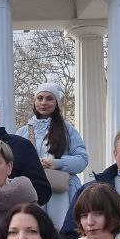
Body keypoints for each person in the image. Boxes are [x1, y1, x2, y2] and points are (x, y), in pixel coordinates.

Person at [24, 82, 89, 230]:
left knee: (63, 231)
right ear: (34, 101)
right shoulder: (23, 132)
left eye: (49, 98)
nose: (44, 102)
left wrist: (58, 163)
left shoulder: (67, 129)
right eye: (40, 98)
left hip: (63, 192)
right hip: (34, 191)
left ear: (56, 103)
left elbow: (82, 159)